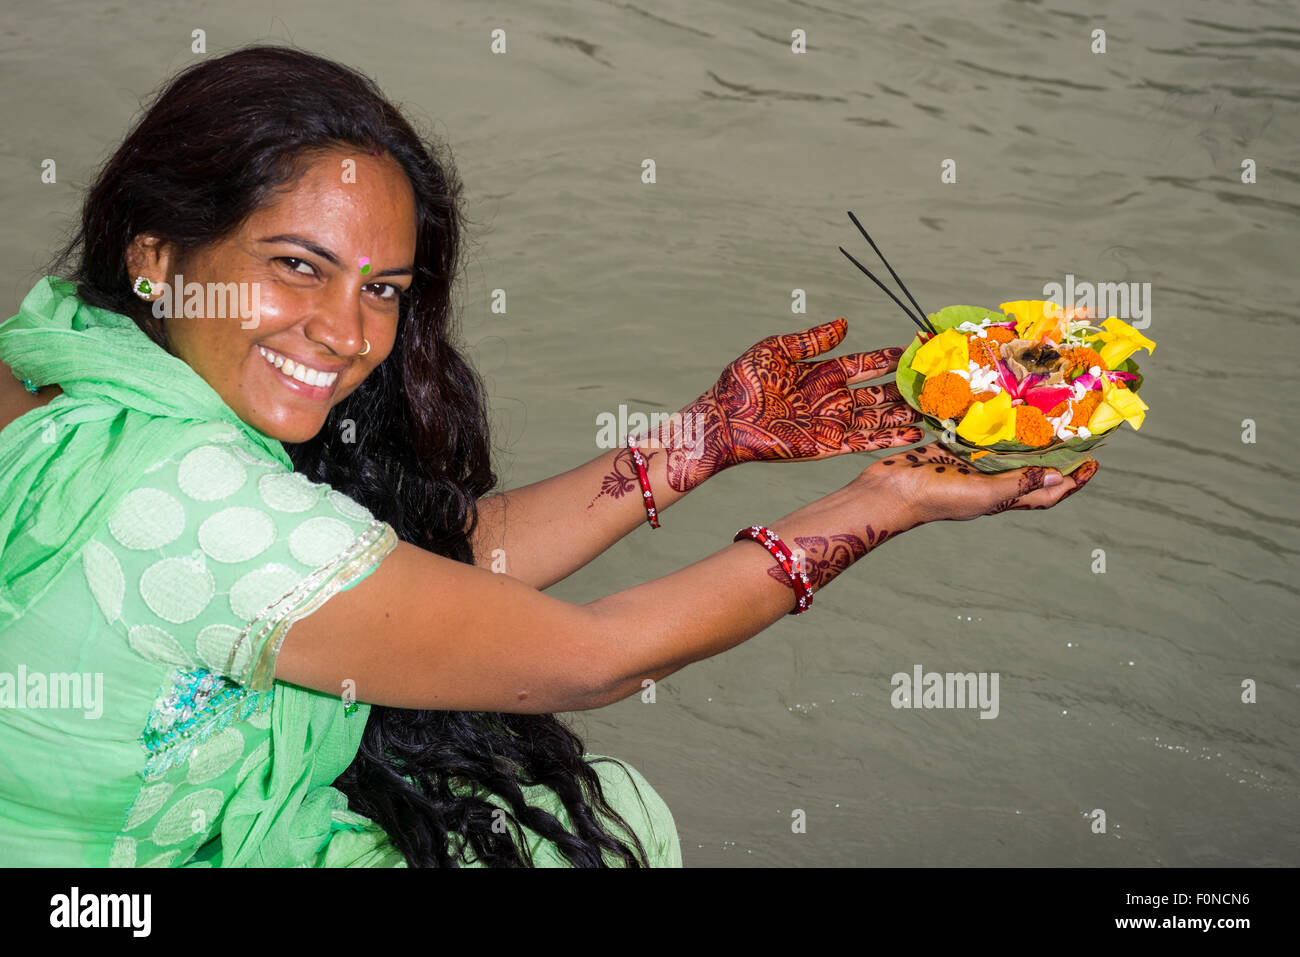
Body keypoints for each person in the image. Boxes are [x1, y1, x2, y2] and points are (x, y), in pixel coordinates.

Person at [0, 45, 1098, 868]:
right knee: (610, 830)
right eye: (297, 266)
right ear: (157, 252)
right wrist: (882, 505)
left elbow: (424, 577)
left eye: (382, 289)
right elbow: (588, 659)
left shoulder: (63, 363)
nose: (345, 334)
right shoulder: (193, 497)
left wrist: (706, 437)